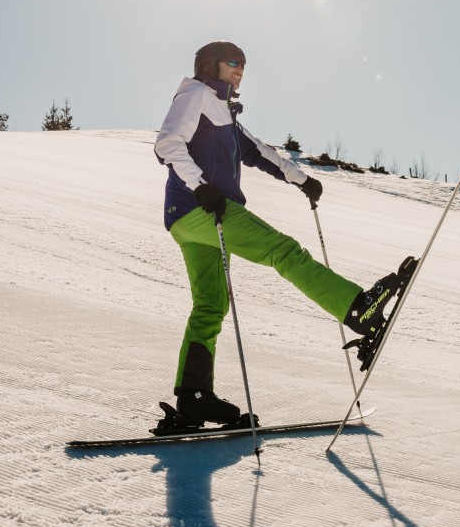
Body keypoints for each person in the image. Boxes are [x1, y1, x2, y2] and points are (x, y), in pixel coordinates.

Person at [154, 40, 405, 425]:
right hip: (202, 207)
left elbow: (259, 151)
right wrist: (201, 187)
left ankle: (193, 398)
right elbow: (168, 144)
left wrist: (302, 180)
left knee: (210, 305)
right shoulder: (196, 95)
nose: (240, 69)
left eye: (244, 64)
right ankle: (358, 309)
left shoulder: (224, 113)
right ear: (209, 65)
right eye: (233, 62)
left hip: (189, 218)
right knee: (284, 251)